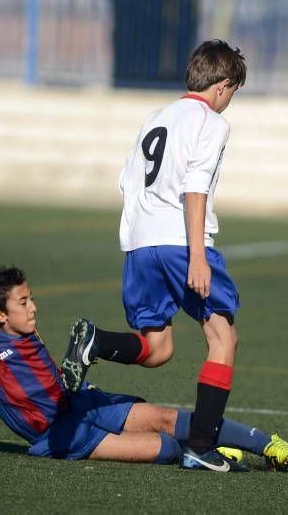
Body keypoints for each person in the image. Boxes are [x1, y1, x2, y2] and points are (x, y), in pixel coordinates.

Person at [60, 39, 251, 471]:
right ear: (222, 86)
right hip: (181, 243)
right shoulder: (211, 122)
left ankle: (95, 342)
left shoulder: (156, 117)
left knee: (158, 347)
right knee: (224, 339)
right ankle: (201, 448)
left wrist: (136, 240)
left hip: (140, 244)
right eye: (233, 93)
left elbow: (127, 183)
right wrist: (198, 256)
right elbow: (194, 187)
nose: (230, 102)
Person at [0, 265, 288, 472]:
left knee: (167, 418)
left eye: (31, 298)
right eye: (24, 302)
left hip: (82, 401)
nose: (34, 307)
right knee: (164, 450)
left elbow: (30, 365)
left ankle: (267, 443)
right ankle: (213, 450)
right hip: (59, 436)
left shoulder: (15, 333)